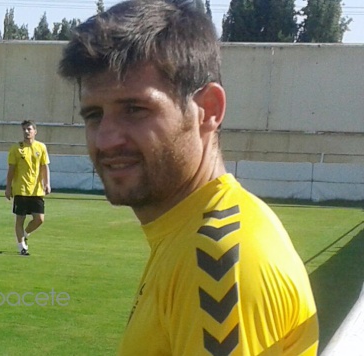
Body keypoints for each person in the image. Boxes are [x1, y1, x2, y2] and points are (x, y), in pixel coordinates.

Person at [58, 0, 318, 355]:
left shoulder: (218, 257)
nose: (106, 139)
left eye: (134, 109)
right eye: (93, 115)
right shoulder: (186, 234)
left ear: (208, 110)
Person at [5, 120, 51, 256]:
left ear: (35, 132)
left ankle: (25, 234)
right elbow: (11, 169)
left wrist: (47, 183)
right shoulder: (16, 148)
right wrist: (8, 187)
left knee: (39, 219)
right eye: (24, 129)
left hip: (36, 190)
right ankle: (21, 247)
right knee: (20, 219)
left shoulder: (41, 147)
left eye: (29, 129)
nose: (26, 132)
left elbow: (44, 166)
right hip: (21, 189)